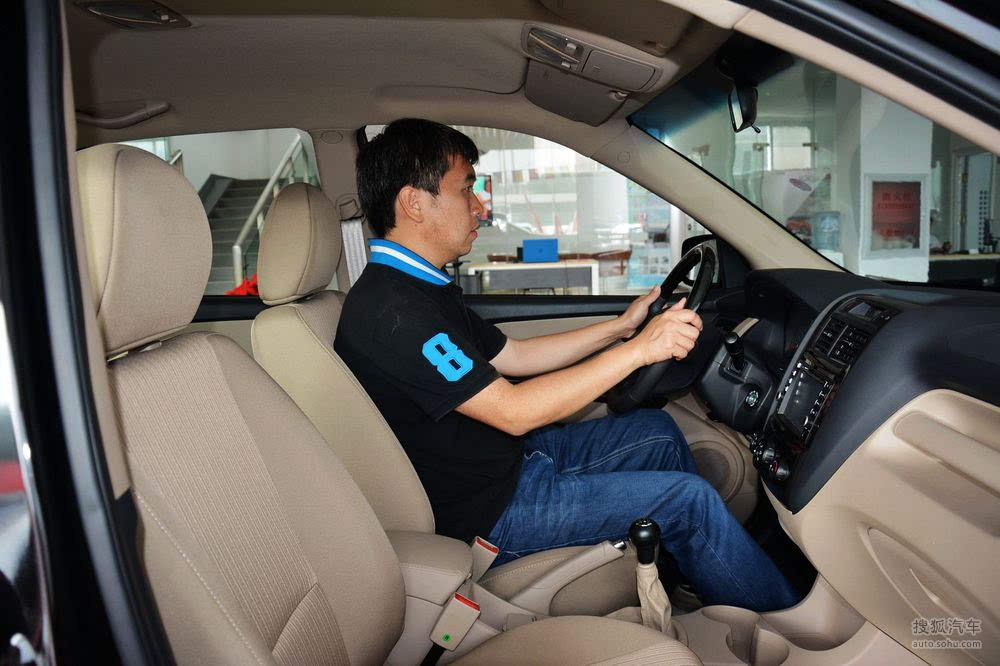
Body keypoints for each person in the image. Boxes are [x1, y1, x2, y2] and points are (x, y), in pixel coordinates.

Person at [334, 119, 801, 612]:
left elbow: (515, 356)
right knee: (689, 501)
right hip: (489, 513)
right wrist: (640, 351)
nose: (480, 206)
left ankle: (697, 571)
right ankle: (781, 622)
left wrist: (620, 329)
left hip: (510, 464)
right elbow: (513, 411)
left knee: (659, 432)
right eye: (466, 189)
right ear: (413, 202)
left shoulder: (417, 287)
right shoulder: (394, 313)